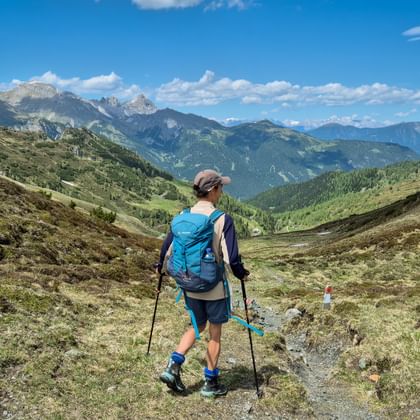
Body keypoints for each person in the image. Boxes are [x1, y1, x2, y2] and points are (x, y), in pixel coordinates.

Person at [156, 169, 250, 397]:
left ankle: (173, 365)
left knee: (196, 325)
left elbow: (166, 250)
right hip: (213, 287)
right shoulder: (221, 219)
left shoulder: (182, 217)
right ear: (213, 190)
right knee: (214, 333)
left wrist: (160, 269)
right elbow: (231, 258)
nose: (222, 192)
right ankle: (210, 383)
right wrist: (242, 274)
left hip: (188, 284)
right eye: (220, 188)